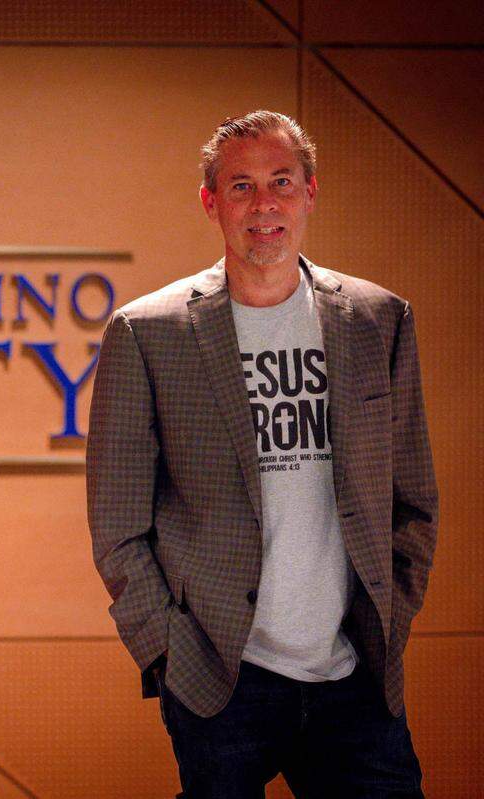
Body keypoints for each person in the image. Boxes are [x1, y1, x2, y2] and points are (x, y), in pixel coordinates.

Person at [86, 110, 438, 798]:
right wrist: (167, 651)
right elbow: (117, 522)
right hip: (221, 679)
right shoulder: (146, 333)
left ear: (311, 191)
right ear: (211, 202)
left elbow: (414, 496)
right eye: (241, 186)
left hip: (356, 676)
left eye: (281, 181)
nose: (264, 203)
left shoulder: (379, 319)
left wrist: (392, 610)